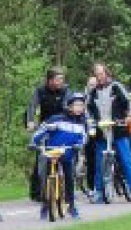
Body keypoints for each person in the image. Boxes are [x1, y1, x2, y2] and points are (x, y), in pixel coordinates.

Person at [30, 93, 89, 219]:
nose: (79, 108)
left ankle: (71, 206)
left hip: (68, 153)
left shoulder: (82, 122)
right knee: (45, 178)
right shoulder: (57, 119)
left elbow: (84, 137)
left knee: (69, 178)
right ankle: (45, 206)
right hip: (52, 152)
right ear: (69, 106)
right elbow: (42, 130)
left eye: (81, 105)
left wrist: (79, 145)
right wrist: (34, 142)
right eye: (76, 105)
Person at [87, 63, 131, 201]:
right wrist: (91, 121)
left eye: (101, 73)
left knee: (126, 160)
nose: (99, 77)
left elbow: (128, 102)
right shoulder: (93, 92)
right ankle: (99, 191)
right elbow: (87, 109)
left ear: (106, 73)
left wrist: (128, 116)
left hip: (119, 129)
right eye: (96, 74)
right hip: (101, 131)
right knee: (100, 162)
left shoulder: (116, 86)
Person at [25, 67, 69, 200]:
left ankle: (66, 190)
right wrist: (30, 121)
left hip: (61, 126)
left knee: (65, 157)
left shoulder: (65, 91)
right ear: (50, 80)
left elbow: (69, 106)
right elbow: (32, 106)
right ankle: (37, 192)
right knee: (41, 158)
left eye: (62, 79)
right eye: (58, 79)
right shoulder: (40, 91)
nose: (61, 81)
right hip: (45, 127)